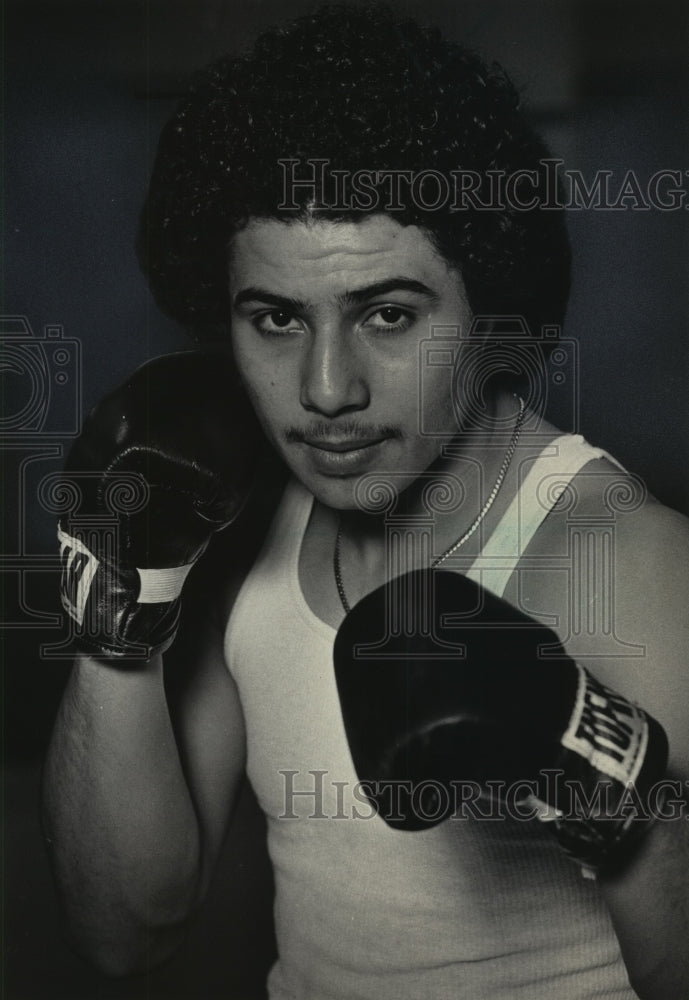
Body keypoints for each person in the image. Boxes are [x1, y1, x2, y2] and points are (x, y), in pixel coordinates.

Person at [42, 5, 689, 998]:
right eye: (275, 319)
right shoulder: (246, 526)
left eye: (387, 314)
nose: (327, 390)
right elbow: (127, 929)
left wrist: (610, 789)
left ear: (489, 310)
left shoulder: (629, 560)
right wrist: (118, 613)